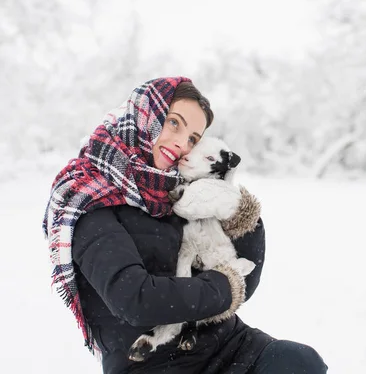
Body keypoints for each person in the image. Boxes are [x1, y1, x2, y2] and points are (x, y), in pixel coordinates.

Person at [42, 77, 328, 374]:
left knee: (300, 362)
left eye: (193, 137)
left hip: (228, 345)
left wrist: (240, 215)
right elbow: (136, 299)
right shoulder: (88, 199)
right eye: (174, 123)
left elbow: (246, 278)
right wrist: (224, 286)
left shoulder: (179, 190)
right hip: (151, 362)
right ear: (145, 115)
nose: (182, 143)